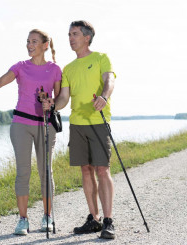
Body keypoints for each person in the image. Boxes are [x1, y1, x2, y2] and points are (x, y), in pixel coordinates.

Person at [0, 29, 62, 235]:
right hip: (21, 124)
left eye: (34, 41)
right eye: (27, 42)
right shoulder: (20, 67)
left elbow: (59, 99)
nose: (29, 45)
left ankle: (47, 216)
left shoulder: (55, 69)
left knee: (45, 171)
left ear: (44, 45)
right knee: (23, 172)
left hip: (45, 124)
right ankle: (23, 220)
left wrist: (49, 103)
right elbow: (0, 82)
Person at [42, 20, 116, 239]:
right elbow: (64, 97)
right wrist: (53, 104)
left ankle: (108, 221)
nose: (70, 38)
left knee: (102, 170)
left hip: (98, 122)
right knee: (85, 170)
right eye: (69, 34)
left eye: (74, 34)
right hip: (77, 124)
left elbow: (109, 80)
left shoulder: (101, 58)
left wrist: (104, 96)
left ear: (87, 37)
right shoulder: (69, 68)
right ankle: (94, 219)